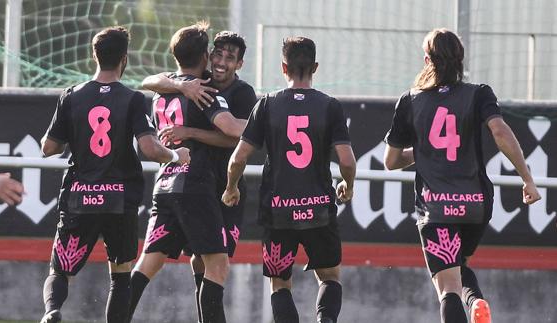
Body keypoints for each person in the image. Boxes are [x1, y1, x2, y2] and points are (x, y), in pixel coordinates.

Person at [384, 28, 541, 323]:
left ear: (427, 60)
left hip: (436, 207)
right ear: (460, 59)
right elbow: (500, 132)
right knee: (458, 264)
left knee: (448, 289)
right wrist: (527, 178)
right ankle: (477, 303)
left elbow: (391, 161)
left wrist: (423, 152)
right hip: (475, 204)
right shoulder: (479, 93)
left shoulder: (410, 100)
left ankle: (469, 305)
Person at [39, 26, 190, 323]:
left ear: (94, 56)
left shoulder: (71, 96)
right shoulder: (132, 99)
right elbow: (149, 147)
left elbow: (49, 148)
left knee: (60, 269)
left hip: (80, 196)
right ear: (125, 58)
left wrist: (75, 133)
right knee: (120, 276)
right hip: (119, 199)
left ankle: (52, 311)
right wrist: (176, 155)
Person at [222, 37, 356, 323]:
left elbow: (238, 158)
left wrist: (231, 187)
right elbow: (347, 160)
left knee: (280, 283)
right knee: (330, 277)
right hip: (319, 210)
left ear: (284, 67)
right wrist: (348, 184)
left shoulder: (268, 104)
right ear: (315, 67)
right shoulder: (330, 106)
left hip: (278, 212)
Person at [128, 22, 247, 323]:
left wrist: (182, 98)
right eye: (215, 54)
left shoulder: (163, 92)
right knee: (217, 266)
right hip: (197, 185)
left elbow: (149, 82)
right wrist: (272, 119)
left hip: (166, 183)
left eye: (228, 58)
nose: (219, 62)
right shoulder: (202, 90)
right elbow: (234, 130)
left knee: (148, 264)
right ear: (206, 56)